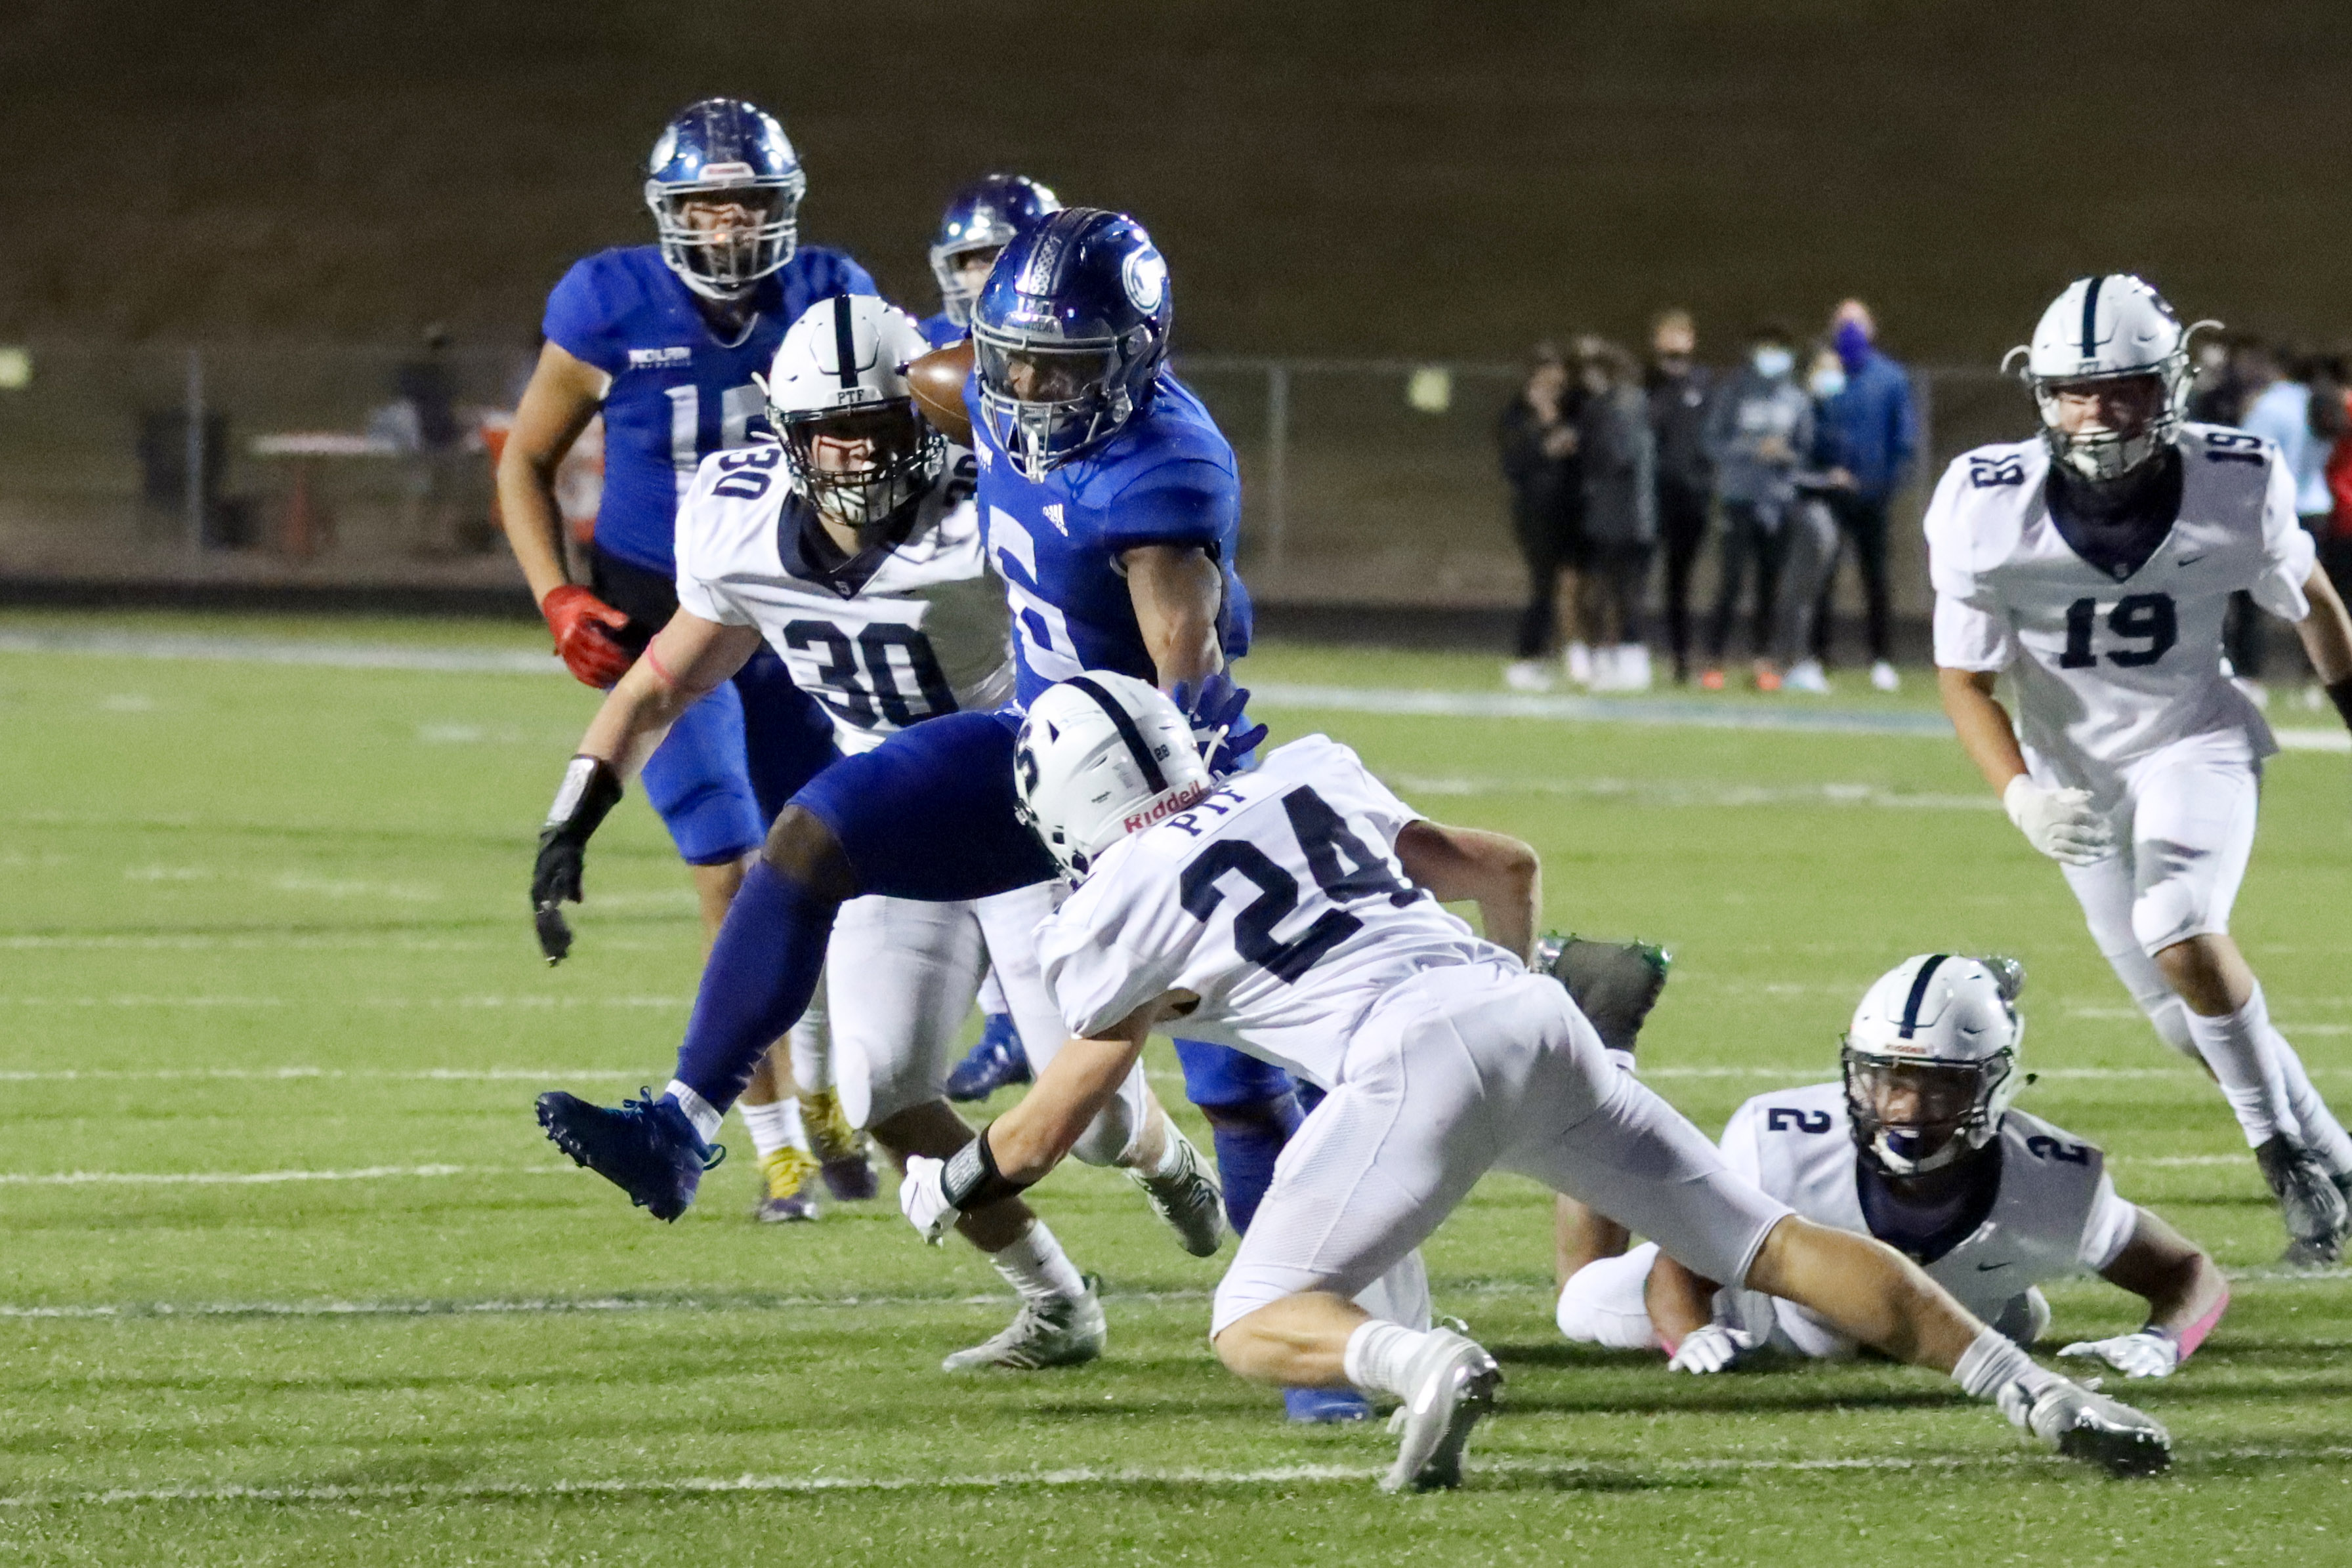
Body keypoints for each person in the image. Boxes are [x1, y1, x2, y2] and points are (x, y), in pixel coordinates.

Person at [898, 672, 2174, 1491]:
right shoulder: (1300, 772)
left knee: (1252, 1315)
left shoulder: (1106, 907)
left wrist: (949, 1181)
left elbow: (1048, 1122)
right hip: (1524, 1010)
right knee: (1770, 1243)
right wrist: (1509, 1019)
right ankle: (2036, 1392)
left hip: (1405, 1054)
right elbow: (1505, 863)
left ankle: (1422, 1365)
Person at [534, 208, 1367, 1422]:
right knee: (811, 847)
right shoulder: (948, 400)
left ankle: (1294, 1315)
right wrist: (576, 804)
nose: (1026, 389)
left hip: (1119, 778)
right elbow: (665, 671)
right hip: (1003, 754)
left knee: (1181, 1087)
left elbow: (1187, 663)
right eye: (1008, 358)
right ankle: (686, 1121)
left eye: (1056, 366)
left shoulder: (1148, 471)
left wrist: (1181, 805)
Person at [1929, 273, 2352, 1266]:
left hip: (2192, 739)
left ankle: (2288, 1163)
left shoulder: (2237, 478)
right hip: (2074, 773)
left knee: (2178, 923)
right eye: (2079, 389)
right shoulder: (1986, 502)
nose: (2099, 410)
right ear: (2041, 392)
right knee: (2179, 1019)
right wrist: (2019, 791)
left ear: (2169, 386)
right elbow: (1964, 678)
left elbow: (2318, 609)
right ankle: (2339, 1157)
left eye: (2122, 387)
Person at [1558, 954, 2229, 1379]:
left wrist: (2162, 1341)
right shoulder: (1780, 1140)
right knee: (1581, 1300)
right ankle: (1600, 1034)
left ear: (1992, 1086)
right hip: (1766, 1306)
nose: (1905, 1107)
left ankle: (1984, 1291)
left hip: (1963, 1308)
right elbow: (1681, 1264)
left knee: (2015, 1315)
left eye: (1939, 1086)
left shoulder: (2055, 1181)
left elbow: (2190, 1272)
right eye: (1886, 1080)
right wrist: (1692, 1336)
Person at [918, 174, 1064, 1104]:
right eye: (967, 259)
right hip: (965, 628)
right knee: (966, 827)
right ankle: (1010, 1018)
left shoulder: (1082, 368)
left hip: (1059, 629)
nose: (980, 277)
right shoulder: (933, 368)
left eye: (1000, 258)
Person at [1811, 300, 1918, 692]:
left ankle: (1882, 659)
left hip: (1872, 497)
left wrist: (1883, 484)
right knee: (1821, 577)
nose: (1849, 331)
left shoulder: (1890, 377)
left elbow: (1903, 439)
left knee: (1876, 580)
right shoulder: (1825, 375)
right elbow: (1811, 433)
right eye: (1842, 324)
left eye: (1856, 323)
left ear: (1871, 328)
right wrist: (1825, 474)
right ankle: (1817, 658)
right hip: (1830, 497)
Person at [1700, 323, 1811, 689]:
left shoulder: (1796, 399)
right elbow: (1712, 442)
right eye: (1765, 348)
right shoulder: (1733, 392)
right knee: (1731, 582)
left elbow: (1805, 451)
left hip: (1778, 502)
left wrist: (1786, 456)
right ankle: (1713, 661)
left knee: (1769, 584)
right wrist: (1752, 450)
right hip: (1738, 499)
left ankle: (1762, 662)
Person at [1498, 343, 1587, 691]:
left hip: (1573, 509)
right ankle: (1530, 655)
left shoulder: (1575, 408)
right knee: (1544, 584)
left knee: (1576, 584)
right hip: (1536, 511)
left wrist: (1555, 428)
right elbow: (1515, 463)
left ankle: (1575, 654)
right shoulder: (1517, 415)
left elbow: (1578, 449)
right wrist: (1546, 438)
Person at [1571, 338, 1656, 691]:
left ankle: (1611, 660)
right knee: (1623, 590)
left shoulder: (1619, 407)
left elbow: (1614, 457)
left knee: (1610, 590)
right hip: (1632, 514)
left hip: (1619, 515)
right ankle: (1620, 658)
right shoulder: (1629, 405)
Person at [1645, 310, 1715, 684]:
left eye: (1680, 335)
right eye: (1666, 335)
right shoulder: (1646, 383)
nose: (1674, 342)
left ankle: (1680, 658)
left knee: (1679, 581)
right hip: (1648, 497)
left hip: (1690, 499)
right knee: (1633, 579)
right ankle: (1628, 652)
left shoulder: (1703, 384)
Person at [917, 173, 1064, 350]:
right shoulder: (927, 340)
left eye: (990, 257)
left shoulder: (1082, 326)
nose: (974, 275)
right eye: (962, 261)